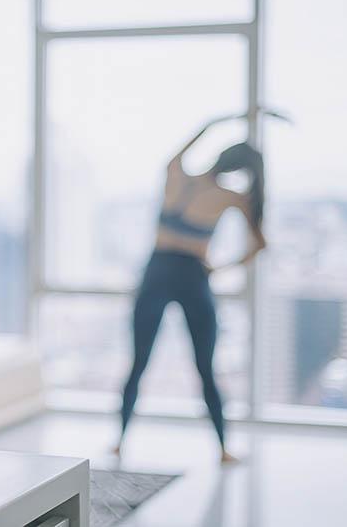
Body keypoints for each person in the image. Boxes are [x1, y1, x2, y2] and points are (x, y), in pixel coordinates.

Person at [116, 114, 267, 463]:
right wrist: (221, 266)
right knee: (205, 365)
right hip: (191, 274)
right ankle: (224, 449)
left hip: (157, 270)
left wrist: (216, 123)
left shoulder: (177, 175)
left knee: (139, 362)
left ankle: (120, 442)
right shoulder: (230, 197)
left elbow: (180, 150)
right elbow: (260, 243)